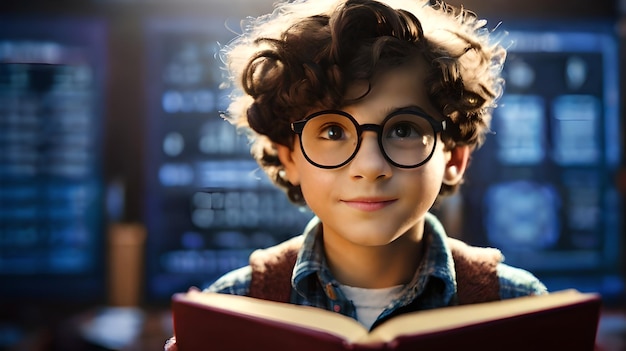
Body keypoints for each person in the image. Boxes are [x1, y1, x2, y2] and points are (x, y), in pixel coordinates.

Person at [166, 0, 547, 348]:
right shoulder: (231, 309)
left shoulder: (520, 308)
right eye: (333, 132)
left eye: (403, 130)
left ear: (454, 157)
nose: (370, 166)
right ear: (289, 157)